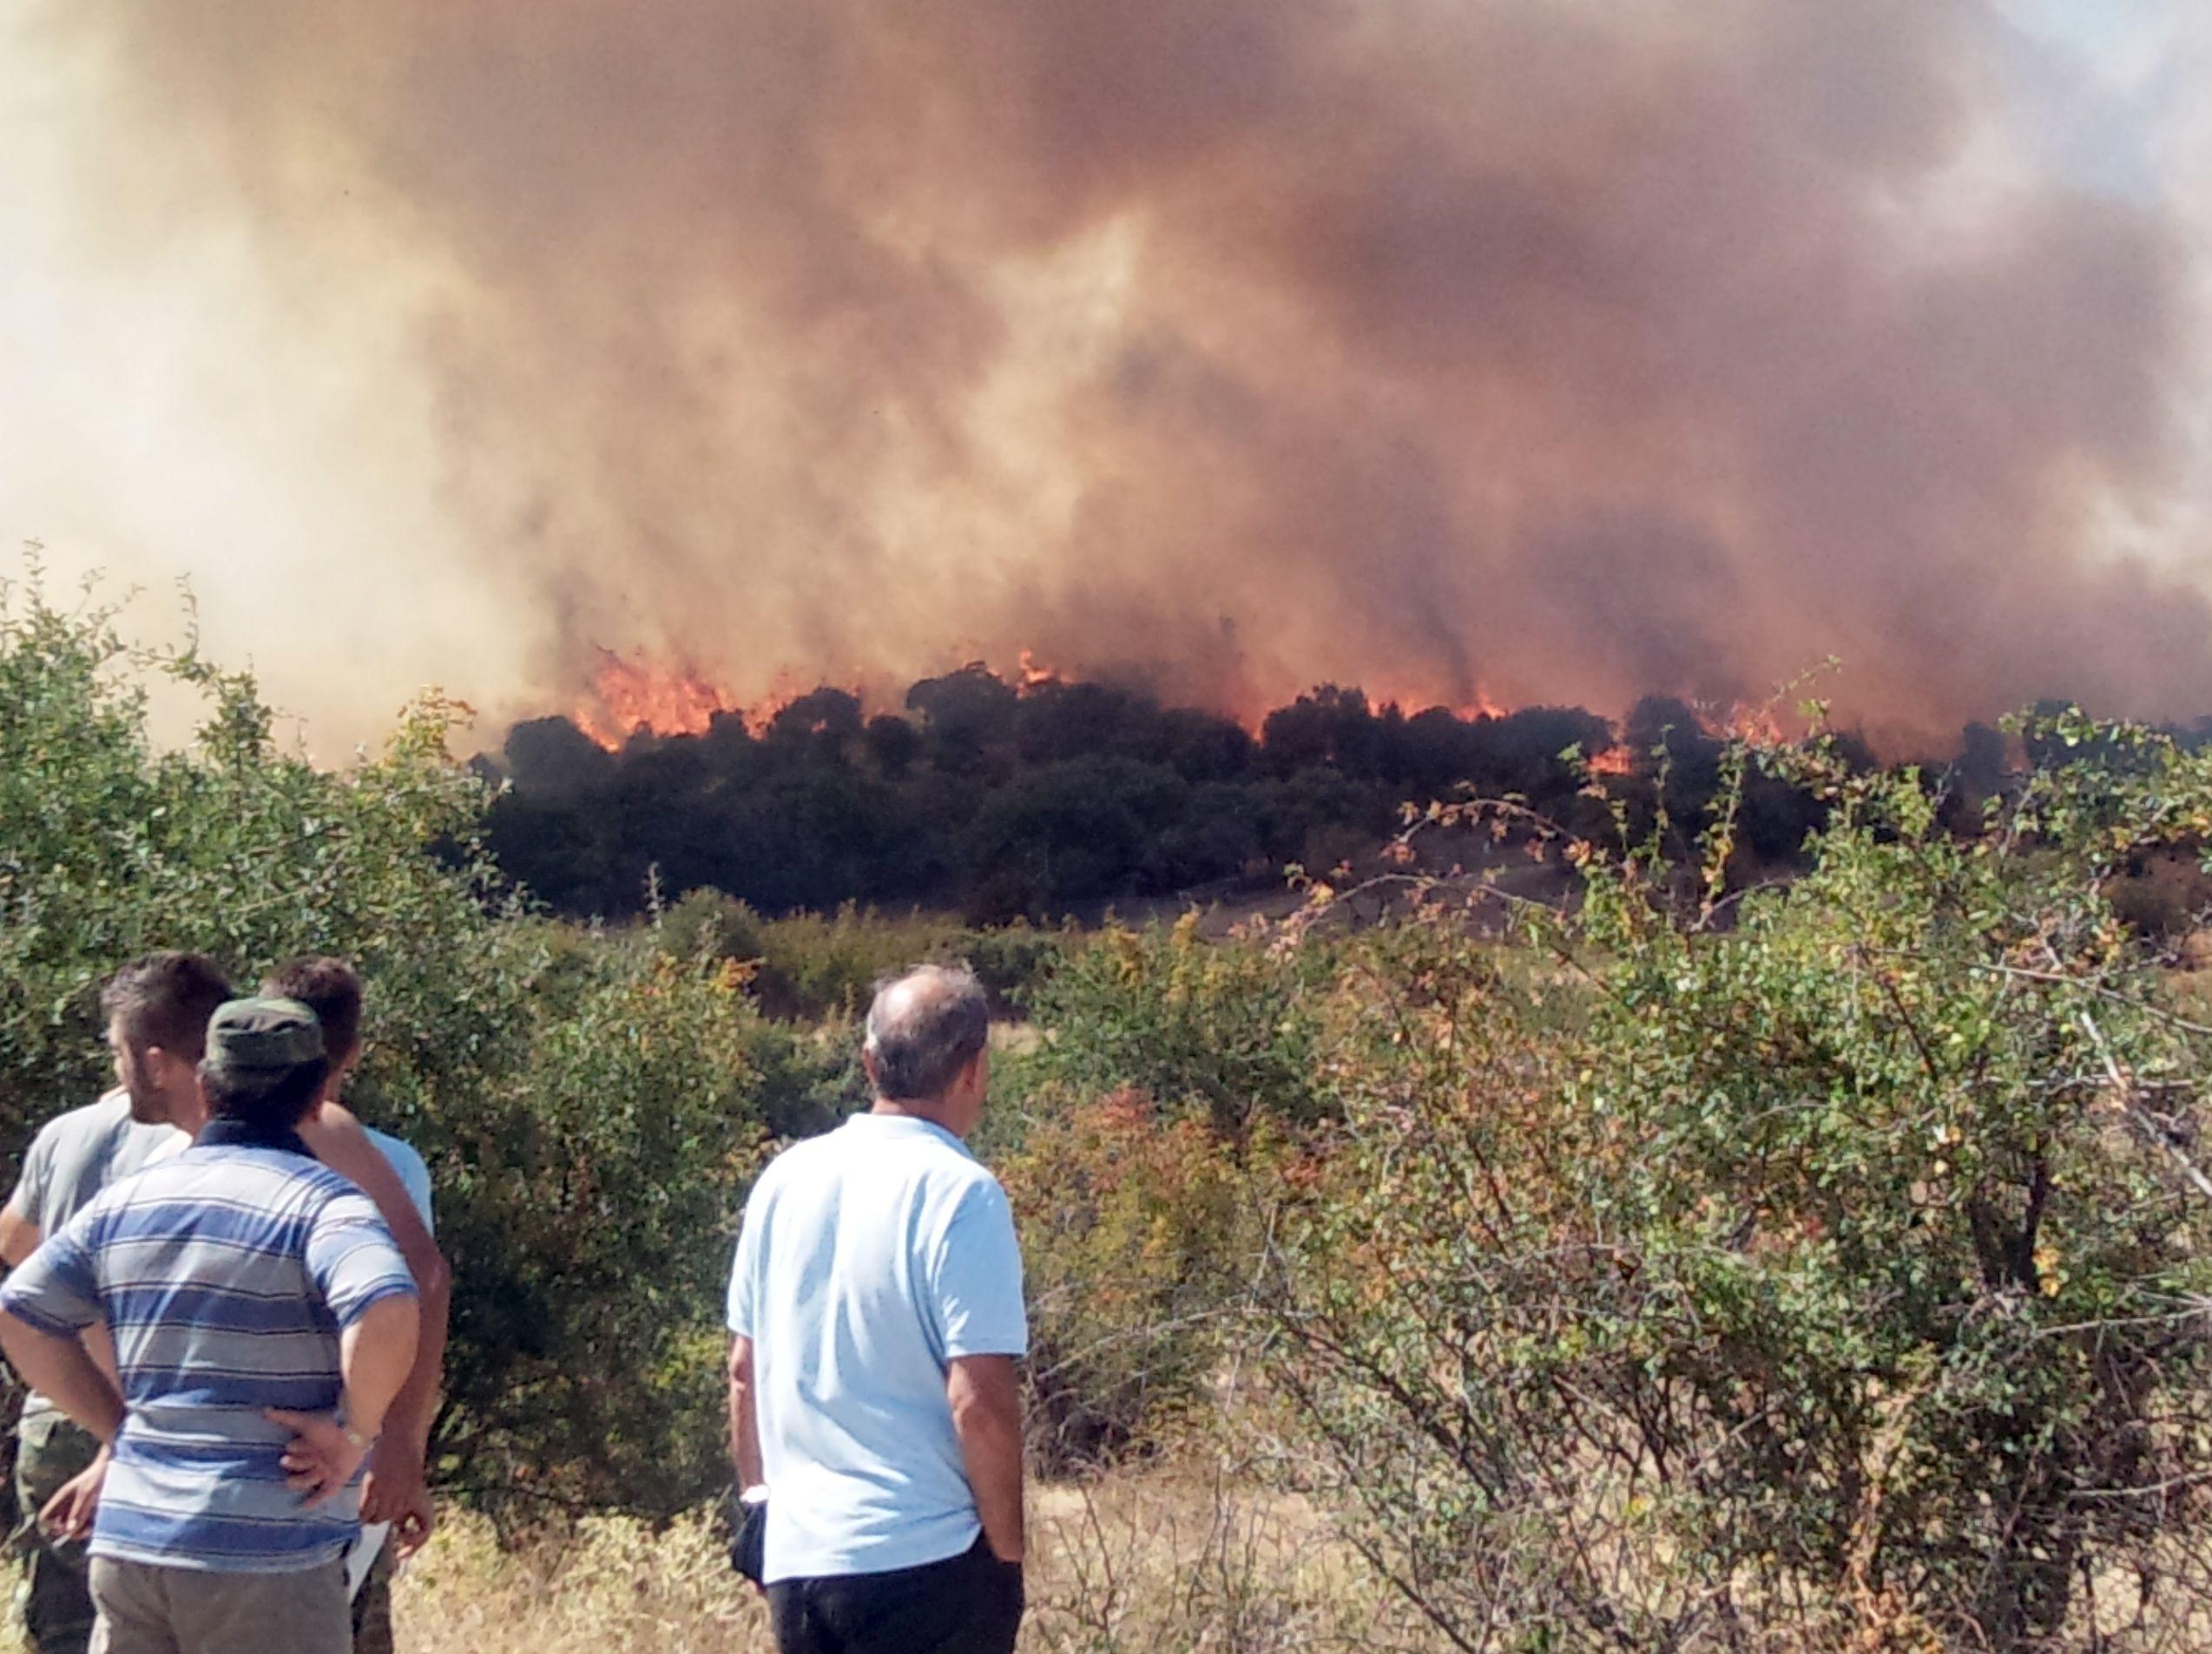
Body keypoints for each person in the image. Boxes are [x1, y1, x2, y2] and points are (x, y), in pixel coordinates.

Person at [1, 954, 451, 1652]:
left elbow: (18, 1313)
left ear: (206, 1088)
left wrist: (123, 1433)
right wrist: (359, 1435)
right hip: (263, 1554)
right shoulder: (327, 1206)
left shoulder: (130, 1199)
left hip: (134, 1545)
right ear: (317, 1100)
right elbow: (391, 1307)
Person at [727, 963, 1030, 1654]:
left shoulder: (783, 1179)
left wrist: (763, 1510)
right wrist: (1007, 1555)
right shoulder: (961, 1192)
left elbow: (744, 1370)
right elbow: (977, 1397)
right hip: (925, 1559)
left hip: (803, 1566)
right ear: (975, 1070)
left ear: (869, 1062)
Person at [0, 954, 229, 1654]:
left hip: (58, 1404)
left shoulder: (66, 1131)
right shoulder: (195, 1144)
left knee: (67, 1622)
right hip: (156, 1412)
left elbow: (16, 1242)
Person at [262, 957, 436, 1654]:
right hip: (340, 1449)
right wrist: (400, 1443)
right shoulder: (392, 1163)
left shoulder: (183, 1151)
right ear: (353, 1052)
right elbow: (420, 1287)